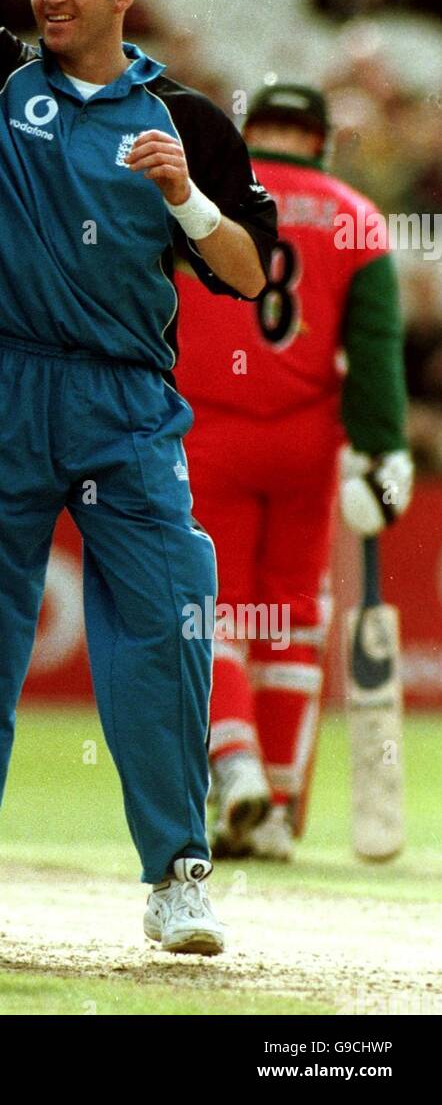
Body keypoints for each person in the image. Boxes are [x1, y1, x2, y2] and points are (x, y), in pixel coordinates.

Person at [0, 0, 277, 956]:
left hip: (128, 398)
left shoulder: (183, 117)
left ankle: (178, 879)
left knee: (163, 627)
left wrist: (185, 197)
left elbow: (247, 272)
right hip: (2, 381)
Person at [174, 83, 412, 859]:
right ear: (324, 141)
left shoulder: (203, 197)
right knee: (292, 620)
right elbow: (375, 356)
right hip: (308, 446)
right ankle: (276, 808)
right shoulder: (357, 218)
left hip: (206, 432)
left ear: (249, 131)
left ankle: (234, 763)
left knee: (211, 608)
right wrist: (386, 451)